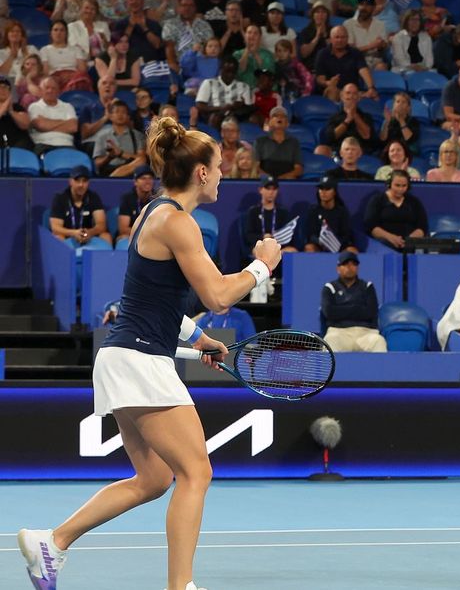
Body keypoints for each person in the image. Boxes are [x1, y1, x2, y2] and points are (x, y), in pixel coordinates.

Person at [18, 115, 281, 590]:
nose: (223, 173)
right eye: (219, 166)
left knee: (154, 479)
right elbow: (219, 296)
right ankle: (180, 586)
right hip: (138, 360)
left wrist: (198, 339)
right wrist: (262, 266)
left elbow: (149, 299)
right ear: (201, 172)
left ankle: (51, 542)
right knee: (196, 472)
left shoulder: (151, 213)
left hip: (128, 355)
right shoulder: (178, 223)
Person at [321, 250, 388, 352]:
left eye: (353, 264)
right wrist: (357, 308)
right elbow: (329, 313)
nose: (349, 267)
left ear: (358, 268)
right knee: (330, 340)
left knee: (379, 341)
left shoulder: (367, 286)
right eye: (345, 264)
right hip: (339, 332)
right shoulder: (329, 287)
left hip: (365, 333)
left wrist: (342, 309)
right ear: (338, 268)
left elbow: (371, 312)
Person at [49, 165, 113, 249]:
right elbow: (55, 228)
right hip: (68, 235)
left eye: (84, 181)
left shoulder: (93, 197)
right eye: (77, 181)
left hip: (88, 235)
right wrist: (74, 233)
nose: (81, 185)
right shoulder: (60, 198)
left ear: (88, 183)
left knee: (106, 236)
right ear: (70, 181)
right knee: (57, 237)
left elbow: (101, 224)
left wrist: (90, 232)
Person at [364, 171, 427, 251]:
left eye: (404, 186)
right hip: (385, 242)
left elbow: (422, 227)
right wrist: (391, 238)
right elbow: (371, 227)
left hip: (409, 243)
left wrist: (409, 240)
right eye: (397, 185)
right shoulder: (377, 200)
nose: (400, 189)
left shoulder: (414, 202)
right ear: (389, 184)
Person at [312, 25, 377, 102]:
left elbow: (363, 70)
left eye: (343, 37)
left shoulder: (355, 52)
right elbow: (320, 79)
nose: (340, 40)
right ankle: (336, 113)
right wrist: (328, 83)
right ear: (331, 39)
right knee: (332, 91)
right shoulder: (322, 54)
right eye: (337, 37)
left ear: (347, 39)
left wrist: (371, 88)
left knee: (373, 96)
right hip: (332, 90)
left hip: (351, 91)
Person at [242, 174, 299, 258]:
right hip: (260, 246)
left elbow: (289, 235)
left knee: (292, 250)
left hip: (279, 247)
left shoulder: (283, 212)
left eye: (274, 189)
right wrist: (263, 236)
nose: (271, 192)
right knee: (258, 251)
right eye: (268, 189)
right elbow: (248, 235)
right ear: (260, 190)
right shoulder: (253, 212)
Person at [319, 81, 377, 157]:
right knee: (320, 150)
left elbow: (367, 135)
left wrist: (354, 115)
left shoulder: (366, 116)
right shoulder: (334, 117)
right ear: (342, 96)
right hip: (338, 152)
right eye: (348, 93)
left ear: (359, 97)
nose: (351, 96)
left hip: (359, 153)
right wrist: (348, 120)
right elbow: (331, 137)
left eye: (354, 93)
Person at [162, 0, 214, 78]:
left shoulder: (204, 25)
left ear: (195, 8)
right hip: (180, 66)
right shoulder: (170, 25)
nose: (187, 8)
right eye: (184, 5)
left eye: (191, 6)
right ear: (178, 8)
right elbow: (169, 48)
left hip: (202, 65)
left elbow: (211, 47)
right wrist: (175, 67)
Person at [91, 99, 146, 177]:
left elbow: (141, 159)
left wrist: (121, 153)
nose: (120, 115)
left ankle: (114, 177)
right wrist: (109, 157)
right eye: (117, 112)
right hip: (108, 170)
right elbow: (97, 164)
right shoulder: (102, 136)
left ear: (128, 117)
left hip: (130, 171)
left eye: (123, 112)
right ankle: (114, 177)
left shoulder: (137, 135)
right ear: (110, 116)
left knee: (141, 161)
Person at [304, 175, 357, 253]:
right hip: (319, 245)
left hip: (339, 246)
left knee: (352, 250)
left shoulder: (342, 211)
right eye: (321, 189)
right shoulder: (313, 211)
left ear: (334, 192)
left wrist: (334, 243)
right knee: (309, 248)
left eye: (327, 189)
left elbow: (346, 234)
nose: (323, 192)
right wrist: (321, 242)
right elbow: (311, 234)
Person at [195, 57, 253, 127]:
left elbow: (249, 108)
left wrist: (240, 106)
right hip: (215, 114)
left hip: (236, 115)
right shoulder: (209, 83)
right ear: (220, 70)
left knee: (252, 118)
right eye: (227, 71)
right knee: (216, 117)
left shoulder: (244, 86)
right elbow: (200, 106)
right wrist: (221, 108)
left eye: (233, 72)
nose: (230, 75)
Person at [28, 76, 78, 155]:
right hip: (44, 146)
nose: (50, 91)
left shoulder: (67, 106)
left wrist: (47, 122)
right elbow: (41, 125)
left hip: (67, 145)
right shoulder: (34, 107)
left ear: (58, 91)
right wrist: (65, 123)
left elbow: (73, 127)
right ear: (41, 90)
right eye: (47, 88)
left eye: (53, 88)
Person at [39, 19, 91, 93]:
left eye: (62, 30)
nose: (58, 33)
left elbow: (82, 69)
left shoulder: (76, 49)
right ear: (51, 33)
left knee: (82, 78)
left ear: (66, 33)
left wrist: (70, 76)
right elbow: (45, 72)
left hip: (74, 77)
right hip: (55, 79)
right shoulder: (45, 50)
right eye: (55, 30)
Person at [252, 105, 302, 179]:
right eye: (275, 116)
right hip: (266, 182)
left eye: (283, 116)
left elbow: (299, 169)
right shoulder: (259, 141)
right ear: (269, 122)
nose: (279, 118)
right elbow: (255, 167)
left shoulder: (294, 142)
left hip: (287, 181)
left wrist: (282, 178)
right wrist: (268, 179)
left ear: (287, 123)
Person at [345, 0, 388, 70]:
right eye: (361, 4)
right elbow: (350, 51)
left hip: (376, 60)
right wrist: (371, 46)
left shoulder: (380, 25)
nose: (363, 8)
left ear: (373, 8)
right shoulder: (348, 24)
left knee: (382, 67)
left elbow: (383, 49)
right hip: (357, 61)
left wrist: (381, 46)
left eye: (367, 5)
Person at [116, 163, 157, 241]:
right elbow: (123, 229)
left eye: (150, 178)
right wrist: (145, 234)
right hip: (132, 235)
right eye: (143, 178)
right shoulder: (127, 199)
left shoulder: (157, 199)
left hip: (152, 238)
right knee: (123, 237)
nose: (147, 181)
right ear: (135, 182)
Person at [389, 9, 433, 74]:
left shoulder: (426, 37)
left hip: (423, 69)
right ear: (406, 22)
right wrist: (414, 67)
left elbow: (429, 59)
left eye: (417, 20)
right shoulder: (398, 37)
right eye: (412, 19)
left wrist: (425, 67)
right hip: (403, 70)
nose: (414, 23)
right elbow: (399, 59)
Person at [0, 75, 32, 151]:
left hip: (20, 147)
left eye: (5, 87)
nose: (2, 89)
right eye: (0, 87)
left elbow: (26, 125)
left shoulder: (17, 107)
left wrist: (11, 111)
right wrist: (4, 106)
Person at [297, 1, 332, 70]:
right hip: (310, 67)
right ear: (313, 15)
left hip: (329, 67)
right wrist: (317, 37)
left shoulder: (333, 31)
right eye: (317, 12)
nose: (320, 15)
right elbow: (304, 54)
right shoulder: (305, 32)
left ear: (327, 15)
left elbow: (336, 51)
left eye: (323, 12)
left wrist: (325, 36)